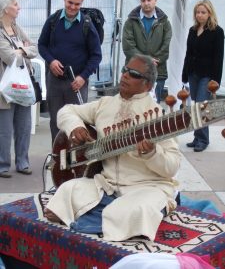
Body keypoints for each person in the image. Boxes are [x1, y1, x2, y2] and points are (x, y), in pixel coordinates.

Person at [44, 54, 182, 242]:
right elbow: (66, 111)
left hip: (146, 186)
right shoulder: (106, 104)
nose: (125, 75)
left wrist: (152, 153)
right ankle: (106, 217)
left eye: (133, 74)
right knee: (66, 191)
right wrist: (76, 126)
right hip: (107, 185)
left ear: (148, 85)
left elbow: (172, 167)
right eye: (125, 69)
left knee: (134, 210)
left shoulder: (158, 118)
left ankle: (106, 217)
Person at [38, 0, 102, 143]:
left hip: (77, 83)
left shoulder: (87, 24)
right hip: (54, 81)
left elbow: (96, 56)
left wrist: (83, 77)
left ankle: (75, 160)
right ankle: (57, 158)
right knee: (55, 121)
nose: (73, 7)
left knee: (76, 122)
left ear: (82, 3)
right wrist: (51, 61)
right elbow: (41, 45)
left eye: (77, 4)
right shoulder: (53, 20)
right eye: (70, 2)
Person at [0, 0, 38, 178]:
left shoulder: (16, 27)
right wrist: (23, 50)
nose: (19, 7)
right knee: (4, 130)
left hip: (23, 84)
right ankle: (3, 165)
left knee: (24, 126)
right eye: (15, 4)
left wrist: (21, 50)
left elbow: (34, 48)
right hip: (4, 88)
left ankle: (22, 162)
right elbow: (7, 57)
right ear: (5, 8)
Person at [182, 0, 224, 152]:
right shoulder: (193, 30)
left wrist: (216, 80)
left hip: (207, 75)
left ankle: (203, 140)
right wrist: (184, 76)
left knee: (202, 105)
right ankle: (197, 136)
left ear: (209, 13)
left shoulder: (217, 32)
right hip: (192, 73)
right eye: (197, 12)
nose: (200, 15)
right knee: (195, 106)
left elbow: (219, 58)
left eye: (203, 12)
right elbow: (188, 54)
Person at [122, 0, 172, 104]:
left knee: (154, 107)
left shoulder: (164, 22)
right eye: (143, 0)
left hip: (158, 71)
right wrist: (146, 61)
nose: (146, 3)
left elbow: (166, 45)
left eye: (149, 0)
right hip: (134, 72)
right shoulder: (131, 21)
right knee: (132, 107)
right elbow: (128, 46)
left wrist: (155, 60)